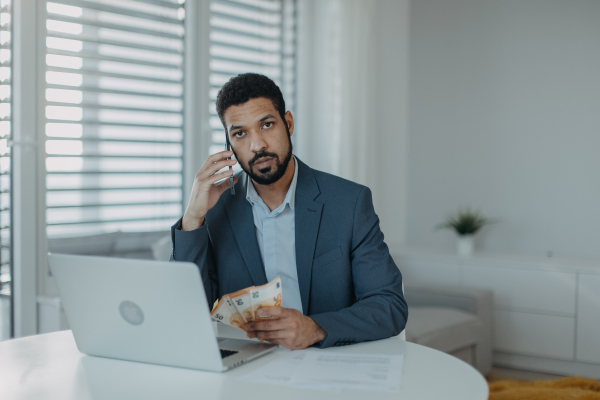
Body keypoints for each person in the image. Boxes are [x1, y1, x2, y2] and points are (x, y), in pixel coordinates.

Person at [170, 73, 407, 349]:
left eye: (267, 125)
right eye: (240, 133)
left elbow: (389, 305)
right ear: (229, 145)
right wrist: (193, 219)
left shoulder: (349, 202)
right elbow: (184, 311)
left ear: (288, 123)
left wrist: (316, 328)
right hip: (246, 369)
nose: (257, 145)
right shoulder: (214, 209)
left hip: (328, 366)